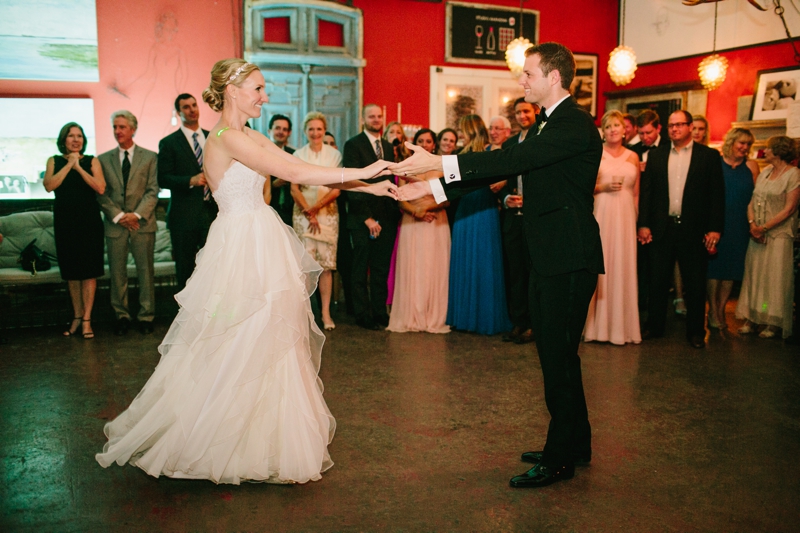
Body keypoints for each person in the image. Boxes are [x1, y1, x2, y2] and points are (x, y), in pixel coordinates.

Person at [96, 58, 396, 485]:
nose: (264, 96)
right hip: (239, 246)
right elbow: (291, 171)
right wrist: (362, 170)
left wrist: (370, 184)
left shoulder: (249, 135)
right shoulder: (222, 136)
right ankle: (220, 437)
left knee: (272, 339)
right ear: (233, 89)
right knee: (236, 338)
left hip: (263, 239)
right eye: (258, 88)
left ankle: (268, 438)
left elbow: (298, 167)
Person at [393, 42, 603, 488]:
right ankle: (576, 441)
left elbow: (511, 160)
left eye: (528, 74)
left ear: (554, 78)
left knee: (557, 357)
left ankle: (560, 456)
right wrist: (431, 190)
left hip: (569, 257)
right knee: (559, 355)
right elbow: (495, 171)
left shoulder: (574, 125)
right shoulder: (547, 126)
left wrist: (438, 162)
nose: (521, 81)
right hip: (550, 256)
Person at [637, 110, 725, 349]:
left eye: (680, 125)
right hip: (661, 227)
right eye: (671, 125)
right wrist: (643, 224)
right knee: (657, 280)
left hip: (693, 229)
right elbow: (647, 193)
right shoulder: (656, 155)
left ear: (690, 127)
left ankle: (696, 331)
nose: (674, 129)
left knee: (695, 282)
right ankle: (654, 326)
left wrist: (715, 229)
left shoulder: (708, 156)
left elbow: (716, 196)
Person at [446, 114, 511, 335]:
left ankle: (485, 318)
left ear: (471, 131)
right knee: (464, 261)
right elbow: (450, 186)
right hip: (464, 210)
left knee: (485, 262)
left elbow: (500, 182)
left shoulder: (491, 153)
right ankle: (462, 317)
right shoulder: (457, 156)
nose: (460, 136)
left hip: (484, 210)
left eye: (463, 131)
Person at [98, 111, 160, 336]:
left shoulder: (151, 157)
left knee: (146, 272)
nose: (117, 131)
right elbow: (102, 193)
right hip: (116, 226)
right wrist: (119, 217)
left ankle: (146, 316)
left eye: (122, 127)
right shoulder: (103, 160)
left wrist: (136, 215)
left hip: (142, 225)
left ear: (133, 129)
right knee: (118, 274)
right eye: (115, 127)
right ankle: (121, 316)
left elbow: (154, 190)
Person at [582, 110, 641, 345]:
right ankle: (597, 328)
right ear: (602, 131)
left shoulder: (634, 157)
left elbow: (636, 193)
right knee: (602, 265)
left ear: (624, 130)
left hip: (626, 218)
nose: (613, 129)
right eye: (608, 126)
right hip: (602, 213)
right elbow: (584, 187)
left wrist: (637, 222)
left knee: (623, 266)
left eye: (617, 125)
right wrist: (603, 186)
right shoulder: (596, 153)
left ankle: (623, 328)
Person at [43, 123, 106, 339]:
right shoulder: (54, 160)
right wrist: (69, 165)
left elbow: (100, 187)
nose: (76, 139)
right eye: (71, 136)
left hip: (89, 222)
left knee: (89, 272)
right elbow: (50, 185)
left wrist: (78, 167)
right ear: (64, 139)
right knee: (72, 273)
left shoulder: (91, 161)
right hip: (65, 222)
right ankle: (76, 316)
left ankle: (87, 319)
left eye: (79, 136)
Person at [736, 136, 800, 339]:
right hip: (757, 234)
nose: (764, 151)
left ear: (779, 151)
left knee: (774, 278)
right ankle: (753, 316)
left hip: (778, 234)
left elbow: (790, 208)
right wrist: (752, 225)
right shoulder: (765, 173)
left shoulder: (793, 174)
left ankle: (772, 320)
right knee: (755, 275)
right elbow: (752, 201)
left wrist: (763, 228)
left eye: (768, 148)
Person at [342, 104, 399, 330]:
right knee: (359, 269)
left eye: (379, 116)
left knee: (380, 269)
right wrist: (366, 218)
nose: (376, 120)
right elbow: (351, 181)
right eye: (371, 116)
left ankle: (379, 313)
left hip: (386, 216)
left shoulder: (387, 145)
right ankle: (362, 315)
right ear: (363, 119)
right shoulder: (353, 144)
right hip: (361, 217)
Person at [157, 93, 219, 292]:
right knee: (186, 269)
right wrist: (189, 180)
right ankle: (186, 316)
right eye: (186, 107)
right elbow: (162, 178)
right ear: (178, 112)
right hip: (183, 216)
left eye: (194, 105)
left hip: (213, 212)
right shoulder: (169, 143)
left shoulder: (213, 137)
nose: (192, 109)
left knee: (216, 265)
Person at [291, 112, 342, 330]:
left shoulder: (334, 155)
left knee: (326, 267)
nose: (315, 133)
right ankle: (304, 314)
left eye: (319, 129)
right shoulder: (297, 154)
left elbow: (337, 187)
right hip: (303, 215)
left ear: (324, 130)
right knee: (305, 267)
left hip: (327, 213)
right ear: (305, 131)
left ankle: (326, 313)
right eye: (311, 129)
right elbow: (294, 187)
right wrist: (308, 211)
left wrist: (317, 208)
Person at [706, 128, 759, 331]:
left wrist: (752, 222)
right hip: (718, 222)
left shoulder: (751, 166)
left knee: (732, 269)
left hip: (739, 223)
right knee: (714, 268)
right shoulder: (716, 163)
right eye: (741, 143)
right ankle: (712, 309)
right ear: (731, 142)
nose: (744, 148)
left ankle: (721, 309)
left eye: (748, 144)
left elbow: (755, 198)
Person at [497, 97, 538, 345]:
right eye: (518, 113)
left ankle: (534, 324)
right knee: (515, 274)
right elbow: (502, 179)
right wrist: (505, 198)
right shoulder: (510, 143)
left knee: (534, 274)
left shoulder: (542, 140)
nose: (522, 116)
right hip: (512, 218)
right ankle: (518, 322)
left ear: (535, 111)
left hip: (534, 219)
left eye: (526, 111)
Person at [267, 114, 296, 226]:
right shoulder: (260, 153)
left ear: (289, 133)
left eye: (285, 129)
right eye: (277, 128)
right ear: (269, 131)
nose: (281, 132)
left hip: (290, 210)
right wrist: (273, 185)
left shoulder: (294, 154)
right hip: (269, 207)